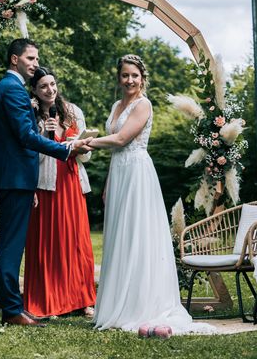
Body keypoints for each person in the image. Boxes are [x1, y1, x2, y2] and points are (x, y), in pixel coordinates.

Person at [88, 55, 214, 334]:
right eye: (124, 75)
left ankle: (142, 305)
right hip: (119, 172)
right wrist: (108, 181)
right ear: (119, 78)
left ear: (142, 78)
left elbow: (122, 140)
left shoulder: (143, 104)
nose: (129, 80)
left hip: (137, 172)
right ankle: (116, 304)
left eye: (134, 75)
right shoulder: (115, 105)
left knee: (137, 235)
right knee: (119, 236)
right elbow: (116, 150)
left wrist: (87, 143)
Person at [0, 39, 92, 327]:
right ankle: (11, 310)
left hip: (14, 176)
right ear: (14, 60)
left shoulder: (9, 89)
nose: (35, 63)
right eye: (30, 58)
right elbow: (26, 136)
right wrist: (66, 149)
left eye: (36, 58)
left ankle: (14, 307)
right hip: (15, 177)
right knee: (11, 246)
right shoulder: (12, 90)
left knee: (12, 244)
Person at [23, 67, 96, 318]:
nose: (50, 90)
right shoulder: (30, 114)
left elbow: (86, 155)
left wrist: (76, 143)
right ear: (34, 90)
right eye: (43, 86)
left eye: (52, 84)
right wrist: (46, 132)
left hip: (71, 180)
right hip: (45, 183)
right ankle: (50, 301)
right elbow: (29, 152)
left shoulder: (73, 111)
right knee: (49, 244)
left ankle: (82, 300)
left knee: (76, 243)